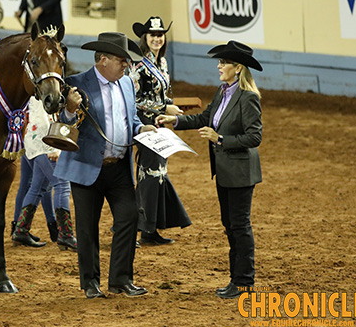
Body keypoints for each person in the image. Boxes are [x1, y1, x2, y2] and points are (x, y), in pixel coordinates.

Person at [156, 40, 263, 299]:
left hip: (240, 173)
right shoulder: (223, 91)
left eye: (224, 62)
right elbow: (205, 119)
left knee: (239, 226)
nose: (219, 66)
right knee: (230, 225)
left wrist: (220, 139)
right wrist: (176, 120)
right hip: (225, 171)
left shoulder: (248, 98)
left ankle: (244, 281)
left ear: (238, 68)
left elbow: (254, 137)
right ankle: (236, 279)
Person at [54, 32, 157, 299]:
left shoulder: (125, 85)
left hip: (119, 168)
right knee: (87, 228)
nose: (126, 65)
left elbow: (130, 120)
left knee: (129, 216)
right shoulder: (75, 84)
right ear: (102, 60)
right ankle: (90, 282)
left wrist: (143, 128)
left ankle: (120, 280)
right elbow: (62, 128)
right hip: (86, 167)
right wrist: (68, 109)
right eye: (121, 60)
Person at [129, 16, 192, 245]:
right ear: (145, 38)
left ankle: (149, 228)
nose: (157, 38)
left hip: (159, 123)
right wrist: (165, 106)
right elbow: (133, 99)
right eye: (153, 34)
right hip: (144, 124)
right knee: (150, 172)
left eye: (160, 34)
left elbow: (163, 93)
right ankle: (142, 229)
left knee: (158, 172)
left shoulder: (162, 63)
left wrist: (169, 107)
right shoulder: (138, 65)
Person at [11, 96, 77, 251]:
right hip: (44, 143)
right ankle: (65, 235)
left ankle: (21, 230)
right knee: (62, 185)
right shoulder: (45, 90)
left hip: (34, 140)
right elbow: (42, 119)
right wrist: (53, 147)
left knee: (38, 187)